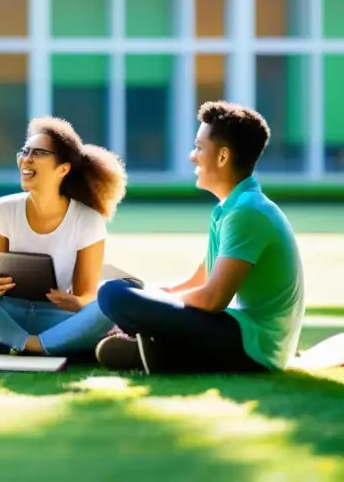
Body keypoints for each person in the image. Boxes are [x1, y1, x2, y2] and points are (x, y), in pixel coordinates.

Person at [95, 101, 306, 375]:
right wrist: (153, 295)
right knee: (121, 290)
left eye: (199, 147)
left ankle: (160, 348)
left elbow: (212, 299)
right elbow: (198, 282)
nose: (192, 156)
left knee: (113, 295)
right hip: (243, 337)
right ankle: (162, 353)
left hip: (256, 348)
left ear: (222, 157)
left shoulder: (247, 212)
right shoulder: (231, 207)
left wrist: (147, 304)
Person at [0, 117, 126, 358]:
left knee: (116, 295)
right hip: (9, 314)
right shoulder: (2, 209)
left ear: (63, 168)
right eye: (24, 151)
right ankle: (40, 344)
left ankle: (33, 344)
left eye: (39, 153)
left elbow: (86, 297)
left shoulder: (88, 220)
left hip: (57, 317)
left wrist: (74, 302)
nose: (26, 158)